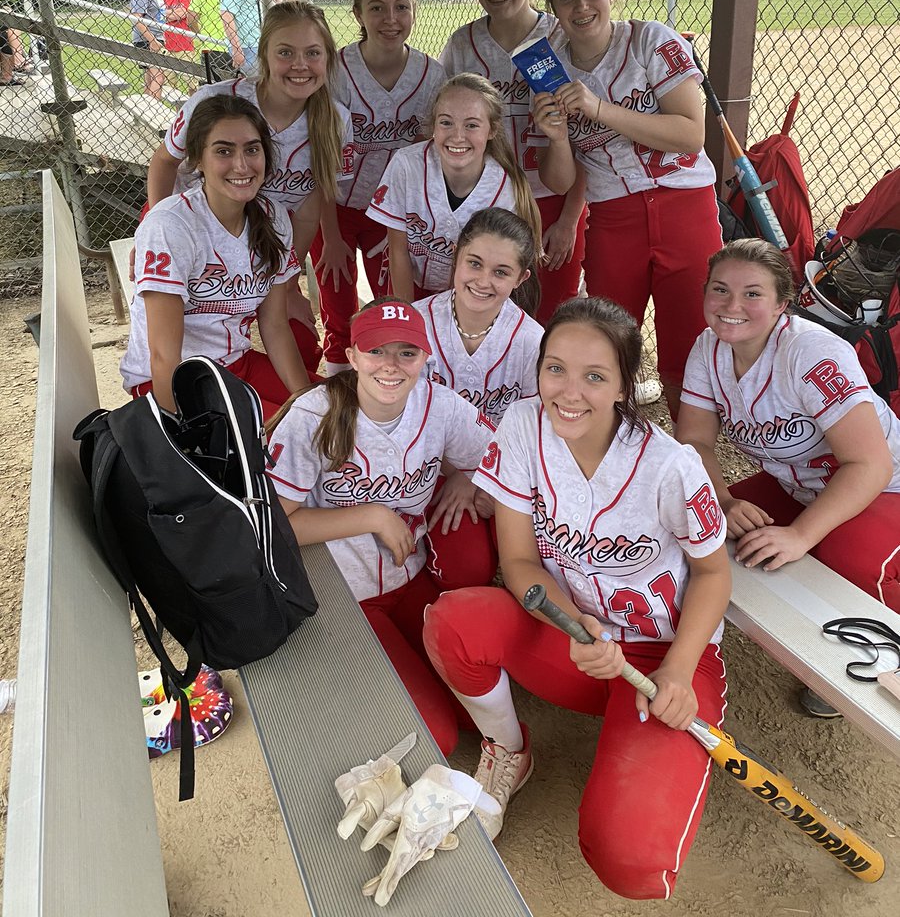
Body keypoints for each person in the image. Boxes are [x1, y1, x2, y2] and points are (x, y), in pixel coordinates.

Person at [422, 297, 730, 899]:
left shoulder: (672, 465)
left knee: (630, 862)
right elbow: (518, 561)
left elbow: (714, 575)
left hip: (658, 656)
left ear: (624, 386)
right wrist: (573, 625)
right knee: (454, 621)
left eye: (594, 376)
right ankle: (509, 748)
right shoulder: (522, 423)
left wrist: (677, 670)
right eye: (555, 368)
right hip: (570, 637)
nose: (568, 391)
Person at [266, 299, 494, 755]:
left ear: (425, 358)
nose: (391, 365)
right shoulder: (313, 415)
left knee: (478, 707)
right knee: (436, 736)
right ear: (352, 357)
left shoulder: (440, 405)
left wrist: (467, 478)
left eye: (406, 352)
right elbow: (275, 526)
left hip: (409, 574)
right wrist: (373, 515)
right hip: (342, 592)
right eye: (376, 350)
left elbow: (501, 466)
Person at [535, 0, 723, 417]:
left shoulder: (649, 40)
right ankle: (607, 442)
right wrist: (557, 138)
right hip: (613, 215)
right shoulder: (550, 68)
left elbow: (690, 133)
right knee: (607, 345)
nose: (581, 5)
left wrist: (598, 109)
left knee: (689, 343)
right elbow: (559, 181)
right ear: (553, 9)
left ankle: (691, 447)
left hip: (683, 204)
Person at [677, 238, 900, 616]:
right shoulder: (708, 347)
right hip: (799, 485)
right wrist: (724, 501)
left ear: (781, 304)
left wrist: (800, 534)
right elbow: (694, 441)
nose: (732, 306)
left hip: (887, 485)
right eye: (720, 290)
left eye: (752, 293)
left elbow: (871, 465)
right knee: (698, 522)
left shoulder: (810, 351)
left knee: (848, 562)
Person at [145, 0, 355, 377]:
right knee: (192, 332)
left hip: (260, 233)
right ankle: (189, 392)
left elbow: (308, 209)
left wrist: (286, 283)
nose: (300, 65)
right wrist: (155, 229)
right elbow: (163, 162)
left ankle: (263, 395)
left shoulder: (335, 121)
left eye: (313, 53)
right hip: (187, 224)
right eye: (285, 52)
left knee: (301, 341)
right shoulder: (216, 101)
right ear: (264, 55)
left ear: (328, 59)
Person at [120, 93, 309, 419]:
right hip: (176, 380)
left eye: (252, 149)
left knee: (337, 416)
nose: (242, 165)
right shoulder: (171, 224)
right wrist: (180, 432)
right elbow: (164, 356)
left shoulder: (273, 217)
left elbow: (275, 324)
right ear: (197, 159)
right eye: (224, 151)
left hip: (237, 364)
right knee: (292, 439)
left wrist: (309, 402)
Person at [442, 0, 586, 323]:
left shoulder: (561, 36)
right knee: (490, 312)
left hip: (554, 197)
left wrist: (570, 220)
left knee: (554, 314)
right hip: (486, 200)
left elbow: (587, 142)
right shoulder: (463, 45)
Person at [313, 0, 445, 373]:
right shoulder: (334, 71)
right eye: (377, 7)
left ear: (414, 10)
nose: (391, 18)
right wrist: (331, 236)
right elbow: (318, 156)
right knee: (337, 304)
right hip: (334, 206)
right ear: (357, 13)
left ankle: (393, 383)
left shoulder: (432, 75)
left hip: (392, 213)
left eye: (401, 6)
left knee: (392, 307)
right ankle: (339, 383)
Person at [367, 73, 542, 300]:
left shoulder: (505, 190)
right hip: (410, 281)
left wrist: (449, 315)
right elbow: (398, 250)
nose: (458, 136)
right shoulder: (407, 164)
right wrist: (407, 314)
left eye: (471, 125)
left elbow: (487, 270)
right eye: (446, 122)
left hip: (471, 292)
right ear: (433, 125)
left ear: (492, 130)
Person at [413, 207, 543, 426]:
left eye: (501, 272)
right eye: (475, 263)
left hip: (503, 448)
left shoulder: (532, 340)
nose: (483, 282)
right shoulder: (416, 321)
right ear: (456, 256)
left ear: (521, 278)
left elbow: (533, 426)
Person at [129, 0, 166, 99]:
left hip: (156, 36)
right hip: (148, 39)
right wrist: (152, 40)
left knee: (151, 79)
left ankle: (146, 107)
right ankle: (153, 108)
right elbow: (137, 17)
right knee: (159, 77)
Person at [190, 0, 232, 80]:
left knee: (210, 85)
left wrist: (199, 35)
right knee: (232, 85)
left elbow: (191, 19)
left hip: (209, 46)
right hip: (232, 46)